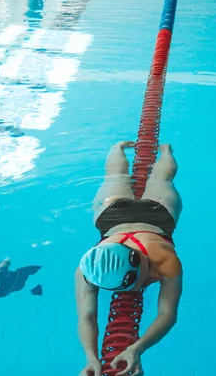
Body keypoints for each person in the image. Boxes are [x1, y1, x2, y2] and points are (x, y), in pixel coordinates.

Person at [75, 141, 183, 376]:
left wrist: (137, 348)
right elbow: (87, 316)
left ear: (144, 262)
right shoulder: (87, 271)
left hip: (151, 215)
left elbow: (168, 315)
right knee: (140, 179)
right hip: (120, 213)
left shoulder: (165, 261)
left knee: (156, 179)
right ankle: (131, 149)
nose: (150, 281)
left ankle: (158, 150)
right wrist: (91, 358)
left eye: (144, 280)